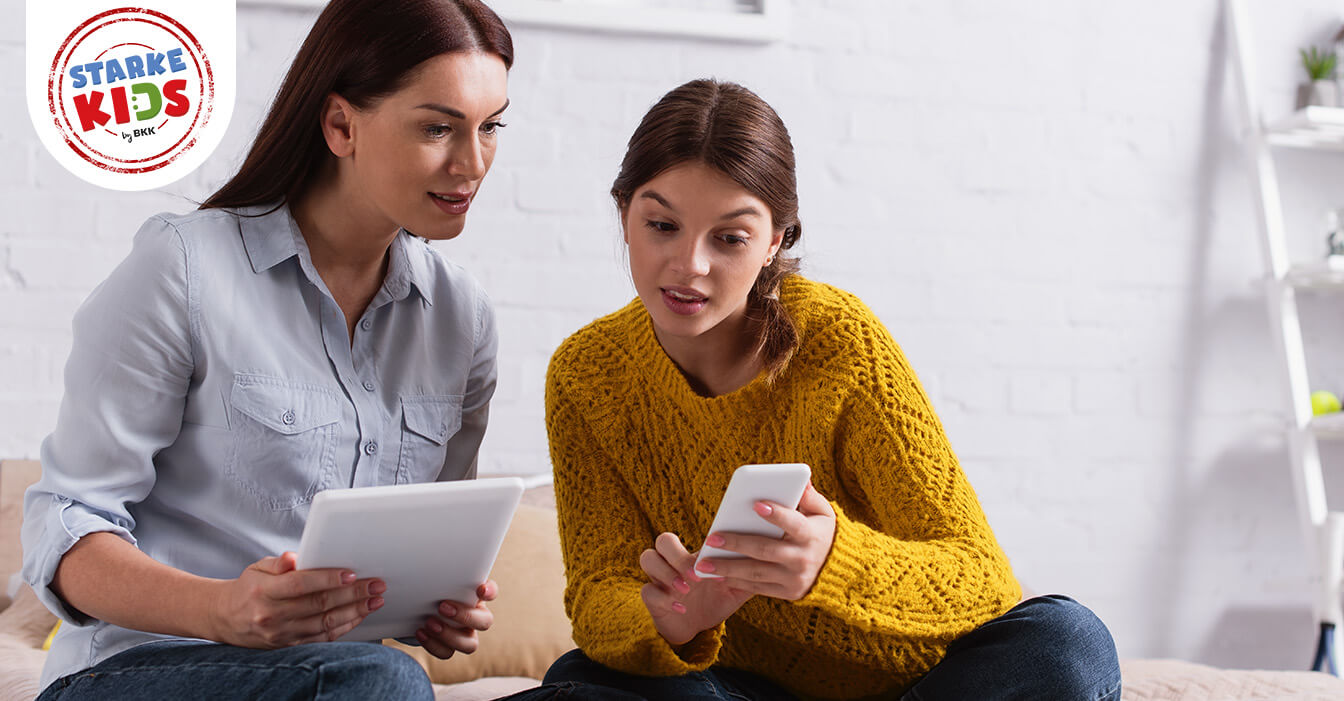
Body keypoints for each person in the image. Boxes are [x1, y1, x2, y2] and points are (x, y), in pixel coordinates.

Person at [536, 79, 1123, 700]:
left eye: (730, 238)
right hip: (738, 688)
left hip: (913, 685)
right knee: (579, 678)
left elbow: (982, 582)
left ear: (775, 243)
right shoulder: (585, 374)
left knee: (1068, 640)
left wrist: (836, 561)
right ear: (624, 213)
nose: (690, 265)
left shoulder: (839, 343)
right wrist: (675, 620)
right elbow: (600, 593)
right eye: (662, 225)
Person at [21, 1, 512, 698]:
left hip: (334, 678)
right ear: (341, 124)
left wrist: (439, 605)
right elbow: (63, 527)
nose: (472, 163)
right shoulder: (185, 268)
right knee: (384, 682)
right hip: (132, 670)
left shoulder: (462, 321)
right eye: (438, 127)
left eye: (491, 127)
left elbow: (429, 543)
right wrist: (223, 608)